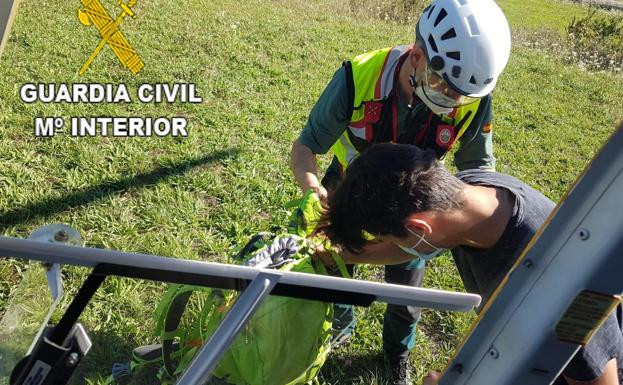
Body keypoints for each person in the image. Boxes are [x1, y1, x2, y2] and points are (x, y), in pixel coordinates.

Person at [290, 0, 511, 382]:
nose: (454, 102)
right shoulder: (357, 77)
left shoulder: (471, 98)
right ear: (417, 55)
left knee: (407, 297)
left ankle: (397, 354)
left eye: (464, 95)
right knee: (335, 273)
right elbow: (305, 146)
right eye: (445, 86)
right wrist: (312, 188)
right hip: (346, 195)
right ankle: (339, 328)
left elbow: (478, 169)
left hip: (412, 215)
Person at [321, 143, 623, 385]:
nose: (390, 244)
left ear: (419, 229)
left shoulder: (554, 278)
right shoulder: (464, 191)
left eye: (389, 236)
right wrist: (346, 255)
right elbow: (407, 245)